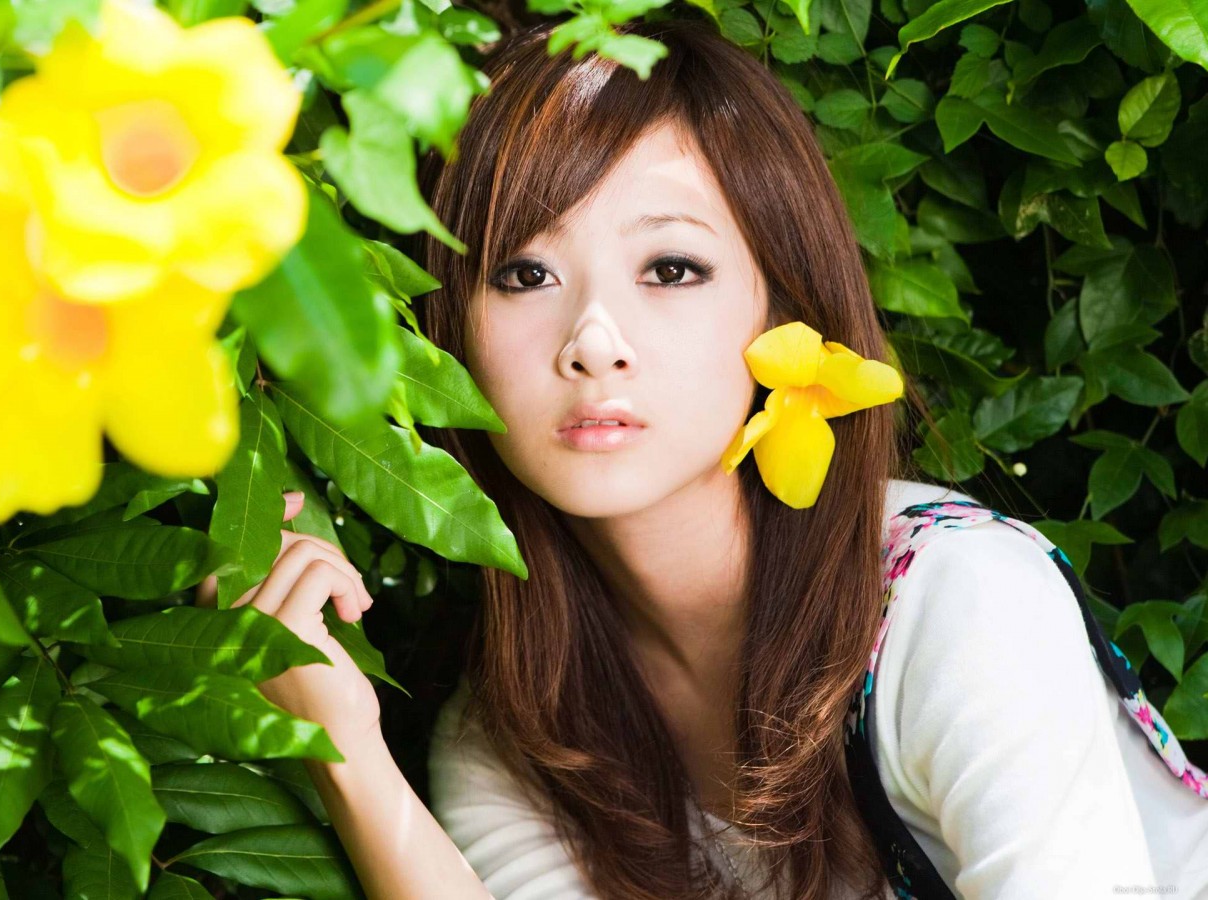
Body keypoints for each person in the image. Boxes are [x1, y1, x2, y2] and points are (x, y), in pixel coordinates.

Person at [198, 13, 1208, 900]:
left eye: (671, 267)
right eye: (524, 273)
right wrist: (342, 749)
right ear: (447, 339)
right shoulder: (522, 725)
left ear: (783, 309)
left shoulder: (955, 602)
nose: (593, 339)